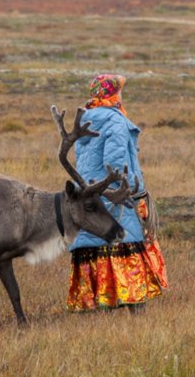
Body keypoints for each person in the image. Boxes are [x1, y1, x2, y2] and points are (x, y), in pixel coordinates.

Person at [66, 74, 168, 312]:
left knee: (93, 247)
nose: (122, 95)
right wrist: (137, 192)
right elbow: (117, 164)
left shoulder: (86, 118)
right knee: (126, 243)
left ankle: (98, 303)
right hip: (116, 199)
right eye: (120, 90)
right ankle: (131, 306)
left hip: (89, 200)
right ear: (111, 93)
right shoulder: (115, 121)